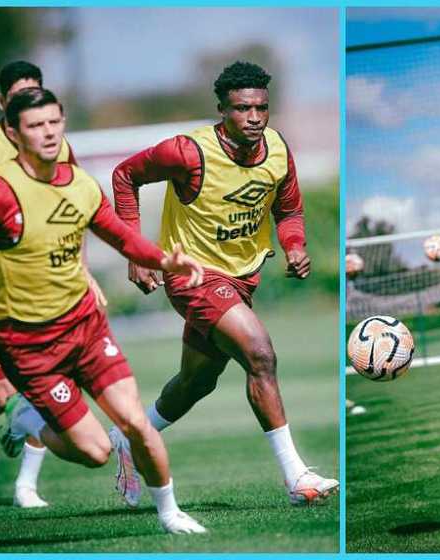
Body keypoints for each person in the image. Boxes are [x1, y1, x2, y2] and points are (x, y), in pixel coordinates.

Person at [0, 87, 207, 534]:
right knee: (95, 451)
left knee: (137, 422)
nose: (48, 133)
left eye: (54, 122)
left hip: (85, 328)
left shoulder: (81, 184)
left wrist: (164, 260)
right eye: (35, 125)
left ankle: (170, 514)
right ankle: (26, 418)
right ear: (13, 132)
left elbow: (120, 235)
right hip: (30, 349)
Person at [111, 61, 338, 506]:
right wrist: (136, 252)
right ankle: (296, 477)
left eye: (261, 108)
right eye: (242, 109)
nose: (253, 117)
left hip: (241, 279)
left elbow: (288, 210)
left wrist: (294, 246)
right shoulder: (188, 151)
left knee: (198, 380)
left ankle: (131, 440)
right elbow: (125, 176)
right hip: (191, 275)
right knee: (259, 353)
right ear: (222, 110)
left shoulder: (277, 149)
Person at [0, 60, 105, 508]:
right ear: (2, 105)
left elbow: (74, 211)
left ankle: (25, 486)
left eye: (38, 93)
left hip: (51, 295)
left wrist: (83, 272)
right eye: (20, 97)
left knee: (41, 394)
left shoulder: (58, 146)